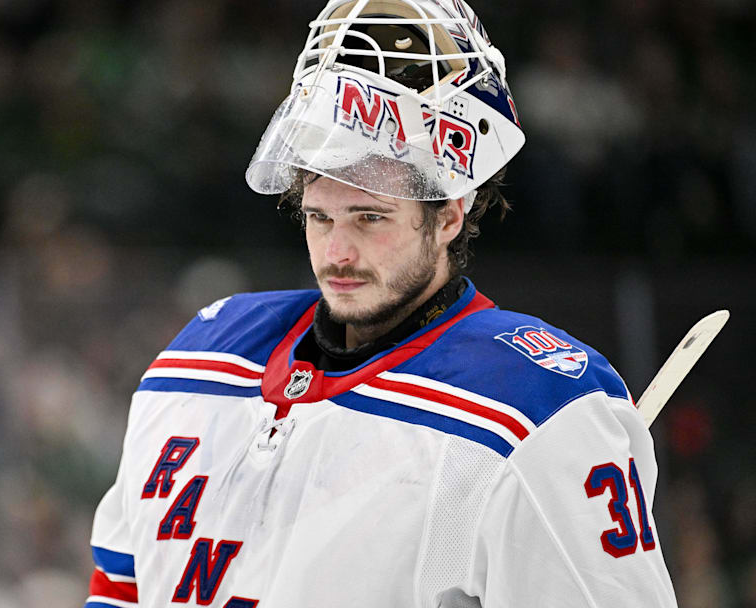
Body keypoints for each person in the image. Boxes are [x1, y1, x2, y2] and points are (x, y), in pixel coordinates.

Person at [84, 1, 678, 606]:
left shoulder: (536, 409)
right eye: (320, 217)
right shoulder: (199, 358)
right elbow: (119, 590)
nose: (337, 252)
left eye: (370, 218)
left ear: (448, 214)